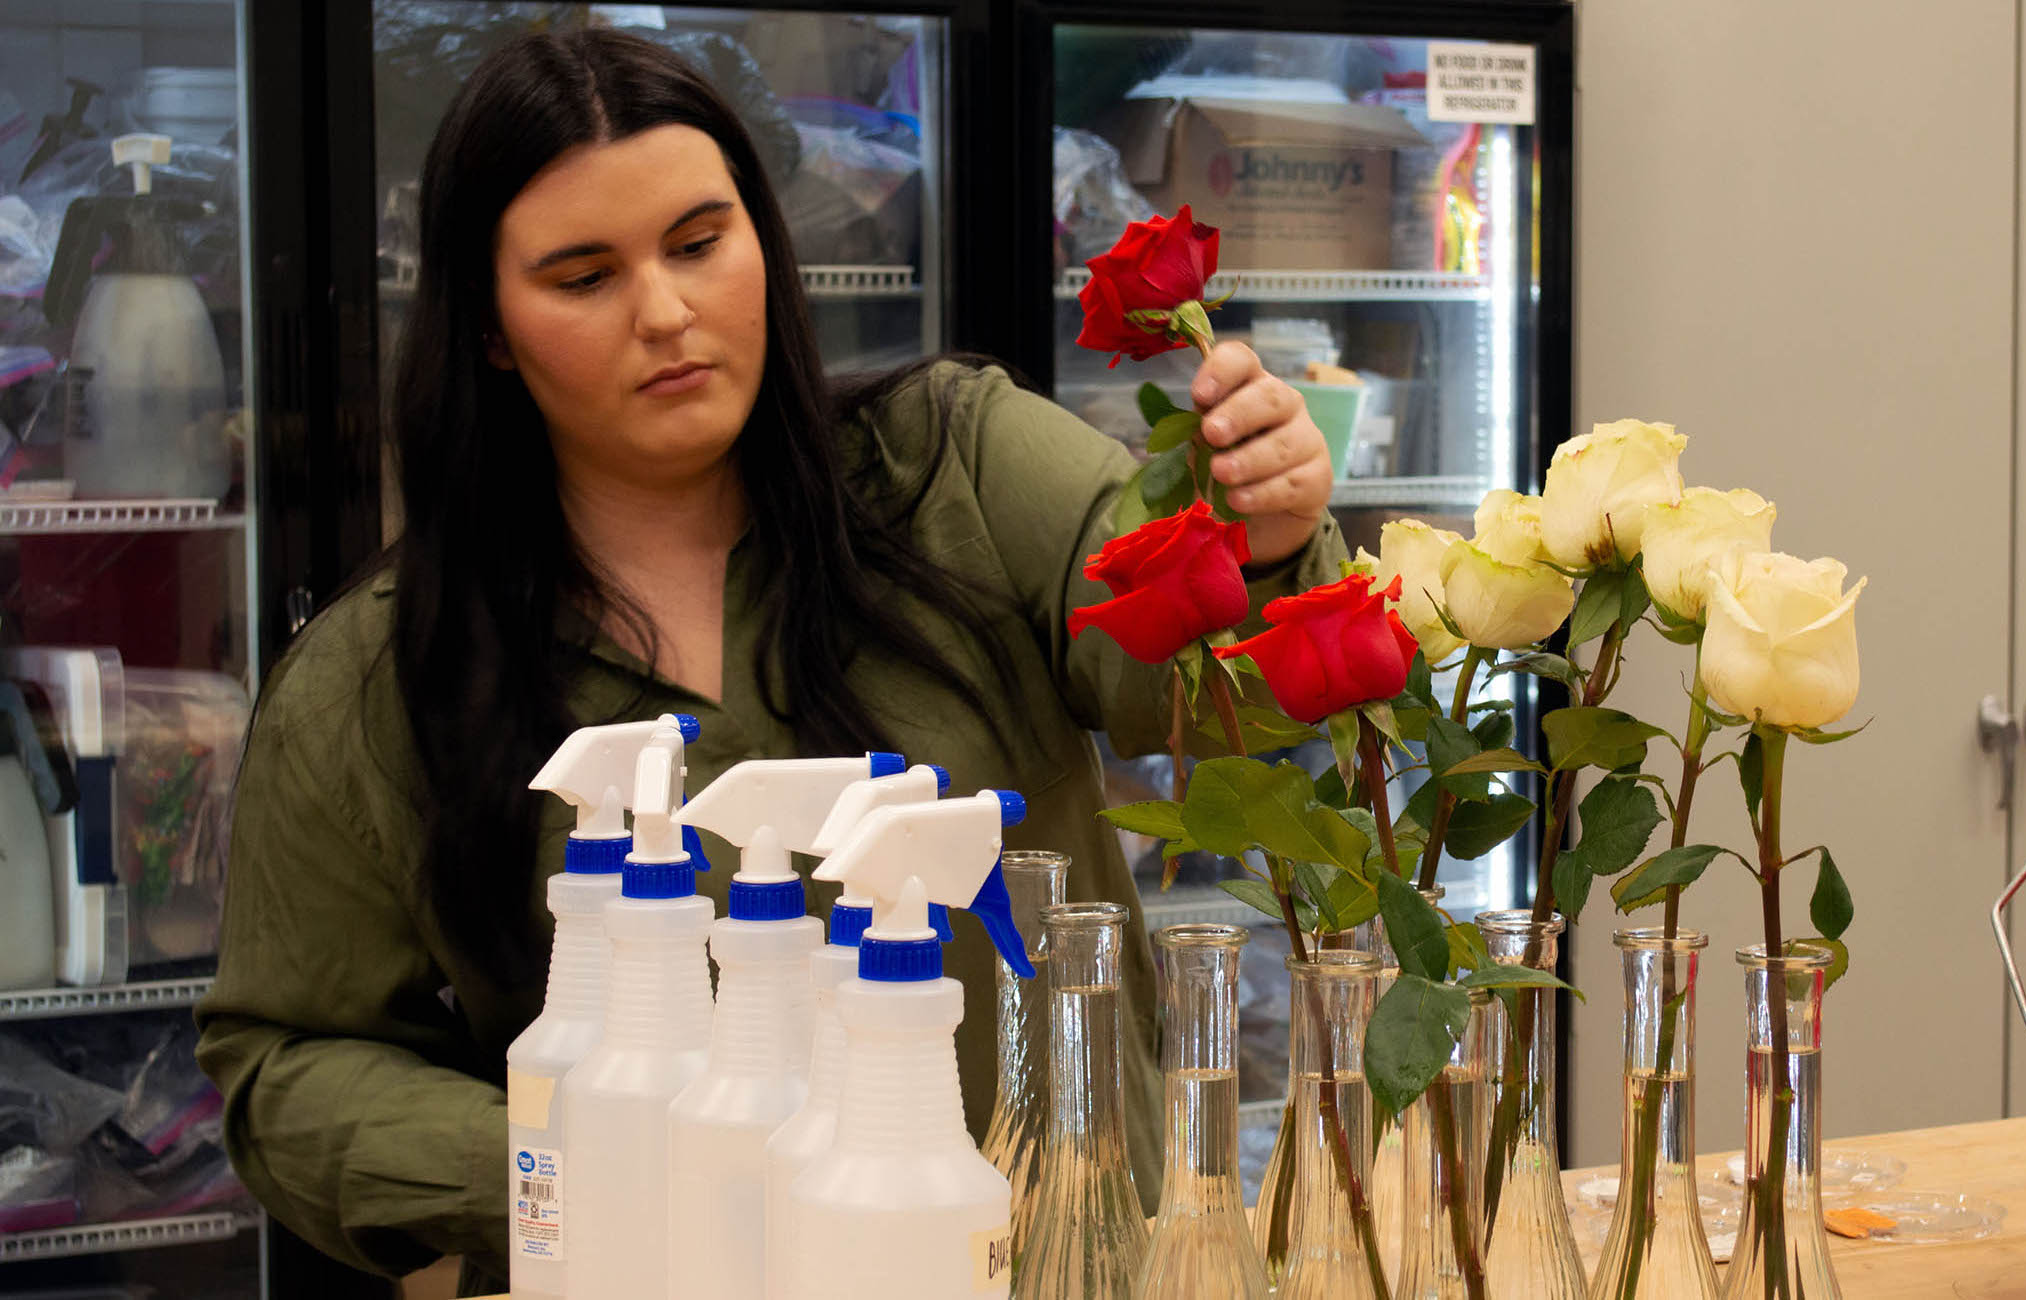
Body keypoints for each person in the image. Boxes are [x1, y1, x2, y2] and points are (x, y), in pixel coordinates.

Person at [195, 27, 1342, 1293]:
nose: (665, 312)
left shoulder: (957, 467)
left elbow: (1207, 699)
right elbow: (285, 1064)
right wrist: (564, 1153)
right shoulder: (381, 673)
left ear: (765, 239)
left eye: (698, 243)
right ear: (491, 329)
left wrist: (1268, 539)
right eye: (584, 277)